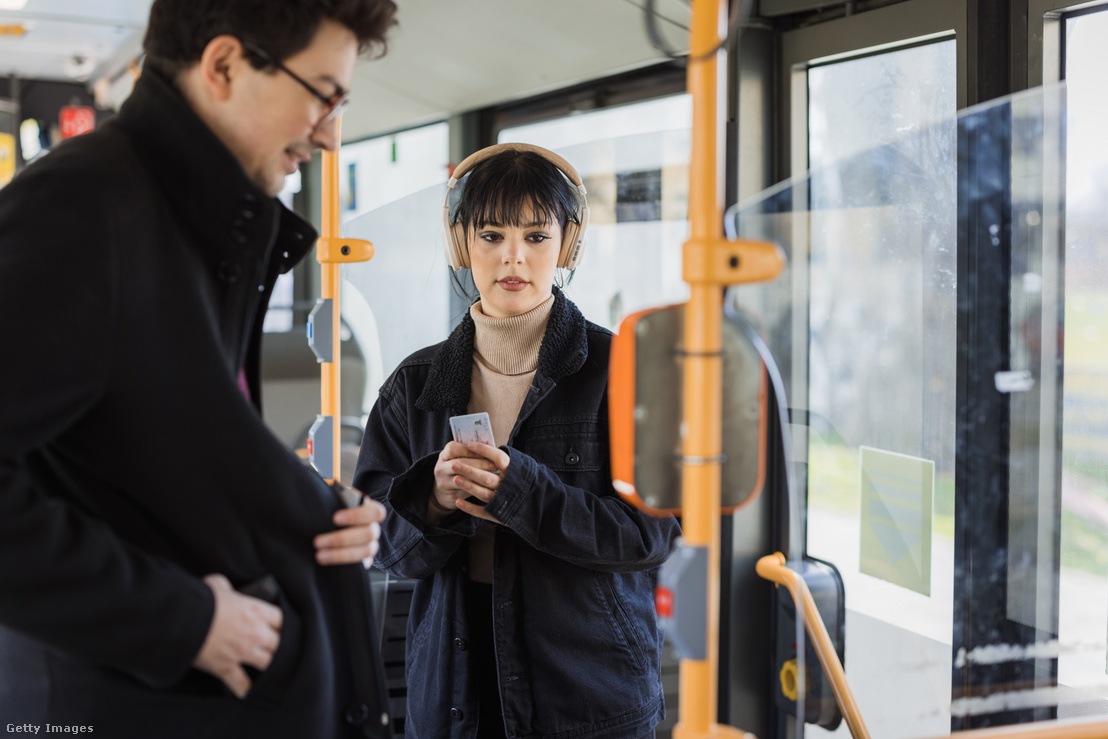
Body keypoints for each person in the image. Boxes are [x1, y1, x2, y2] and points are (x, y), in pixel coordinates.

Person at [0, 1, 397, 736]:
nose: (332, 132)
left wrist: (307, 511)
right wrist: (181, 622)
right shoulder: (85, 206)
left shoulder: (200, 222)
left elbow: (145, 452)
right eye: (323, 94)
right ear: (223, 67)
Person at [353, 143, 682, 739]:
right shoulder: (414, 384)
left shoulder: (624, 368)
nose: (513, 257)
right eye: (491, 235)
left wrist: (523, 493)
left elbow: (651, 533)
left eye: (535, 237)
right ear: (462, 244)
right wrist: (431, 499)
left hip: (585, 688)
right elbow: (380, 544)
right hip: (455, 681)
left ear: (567, 245)